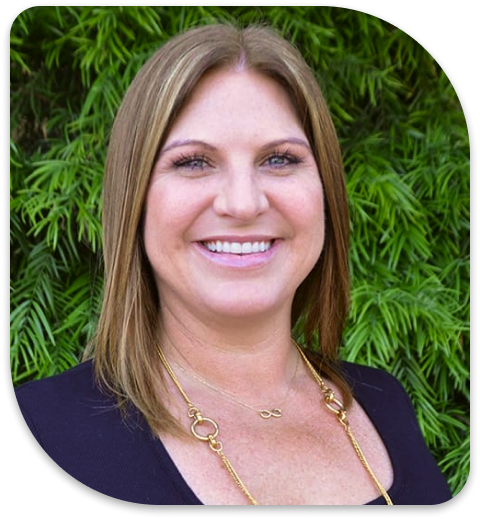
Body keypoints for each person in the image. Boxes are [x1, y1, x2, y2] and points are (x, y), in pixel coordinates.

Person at [14, 23, 452, 505]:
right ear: (133, 203)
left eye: (280, 159)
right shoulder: (43, 429)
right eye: (194, 162)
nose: (243, 204)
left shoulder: (384, 404)